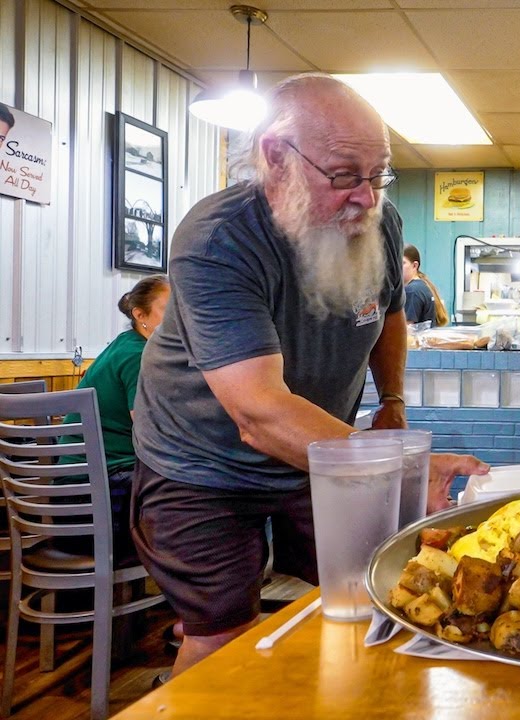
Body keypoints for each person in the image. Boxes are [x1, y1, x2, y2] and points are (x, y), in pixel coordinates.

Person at [129, 73, 487, 677]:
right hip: (200, 465)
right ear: (276, 157)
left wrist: (392, 401)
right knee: (222, 636)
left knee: (387, 589)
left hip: (316, 450)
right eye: (346, 174)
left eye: (379, 175)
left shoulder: (378, 219)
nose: (367, 197)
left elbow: (390, 314)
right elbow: (259, 413)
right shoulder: (219, 239)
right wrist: (403, 463)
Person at [56, 275, 170, 560]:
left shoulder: (124, 344)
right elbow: (152, 431)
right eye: (171, 309)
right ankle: (198, 598)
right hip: (100, 503)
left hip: (70, 499)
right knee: (208, 495)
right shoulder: (139, 355)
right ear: (140, 315)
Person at [402, 244, 448, 327]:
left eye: (402, 263)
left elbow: (407, 330)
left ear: (415, 265)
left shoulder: (412, 291)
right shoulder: (423, 286)